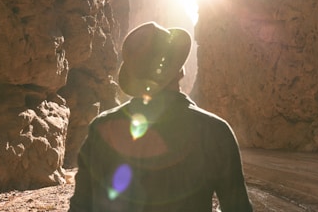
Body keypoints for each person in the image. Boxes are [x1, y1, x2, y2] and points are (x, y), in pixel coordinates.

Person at [69, 21, 253, 212]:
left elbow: (80, 207)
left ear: (135, 79)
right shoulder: (216, 131)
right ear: (180, 70)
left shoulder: (101, 128)